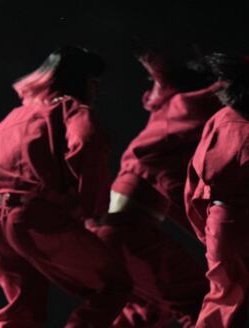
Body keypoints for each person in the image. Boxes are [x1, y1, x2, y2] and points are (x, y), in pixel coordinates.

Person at [0, 46, 132, 327]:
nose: (96, 92)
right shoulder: (70, 109)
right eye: (93, 83)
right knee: (113, 285)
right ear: (80, 82)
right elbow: (87, 142)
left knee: (23, 308)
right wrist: (91, 209)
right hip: (36, 217)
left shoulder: (15, 115)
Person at [93, 44, 218, 326]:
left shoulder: (167, 117)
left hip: (110, 232)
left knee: (143, 314)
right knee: (199, 304)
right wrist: (212, 237)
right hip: (127, 234)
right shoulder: (186, 114)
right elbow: (176, 193)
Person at [185, 53, 249, 327]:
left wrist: (207, 232)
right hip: (236, 220)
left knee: (225, 301)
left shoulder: (222, 119)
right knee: (228, 303)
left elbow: (193, 190)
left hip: (221, 220)